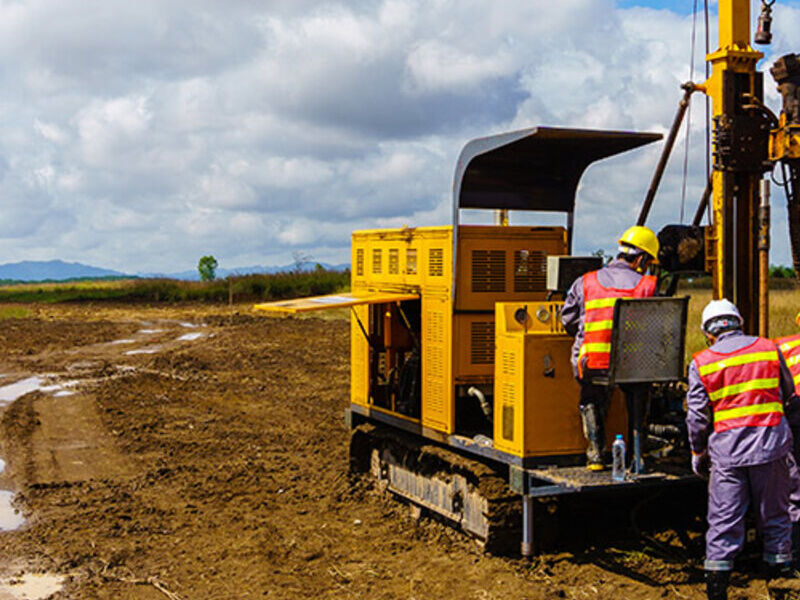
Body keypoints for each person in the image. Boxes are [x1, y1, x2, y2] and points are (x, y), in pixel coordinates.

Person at [687, 299, 799, 600]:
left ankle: (717, 590)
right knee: (776, 516)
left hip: (727, 455)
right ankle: (780, 586)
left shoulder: (701, 361)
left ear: (708, 333)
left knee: (723, 521)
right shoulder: (768, 349)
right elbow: (788, 392)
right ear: (739, 323)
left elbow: (697, 418)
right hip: (772, 447)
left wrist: (698, 453)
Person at [561, 225, 659, 471]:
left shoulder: (586, 282)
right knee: (639, 391)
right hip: (634, 365)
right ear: (640, 259)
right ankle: (638, 454)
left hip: (593, 364)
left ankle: (595, 453)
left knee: (591, 396)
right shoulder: (648, 286)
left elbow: (568, 321)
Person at [775, 312, 800, 564]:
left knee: (795, 490)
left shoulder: (782, 346)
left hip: (794, 420)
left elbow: (782, 389)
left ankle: (793, 553)